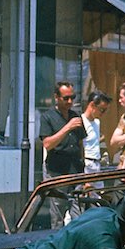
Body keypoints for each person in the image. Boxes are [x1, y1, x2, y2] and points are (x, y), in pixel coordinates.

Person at [38, 81, 87, 229]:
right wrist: (67, 128)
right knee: (58, 214)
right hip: (57, 171)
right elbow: (47, 144)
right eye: (66, 98)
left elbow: (80, 143)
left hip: (76, 171)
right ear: (56, 97)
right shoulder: (48, 117)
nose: (70, 102)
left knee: (78, 212)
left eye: (72, 97)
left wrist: (84, 169)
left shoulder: (75, 116)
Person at [81, 91, 111, 173]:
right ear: (92, 105)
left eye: (106, 111)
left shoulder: (97, 122)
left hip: (97, 163)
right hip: (86, 163)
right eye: (102, 110)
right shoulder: (80, 121)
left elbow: (90, 141)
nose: (103, 113)